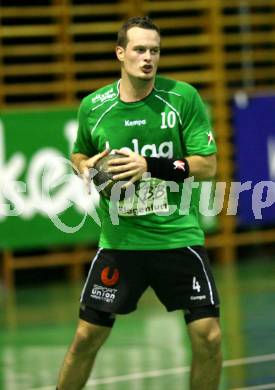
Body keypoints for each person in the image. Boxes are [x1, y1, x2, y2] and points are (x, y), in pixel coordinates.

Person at [57, 16, 222, 390]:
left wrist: (150, 165)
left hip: (177, 238)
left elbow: (208, 165)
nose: (148, 58)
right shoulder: (94, 106)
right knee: (85, 338)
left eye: (155, 50)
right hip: (121, 244)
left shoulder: (182, 98)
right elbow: (79, 153)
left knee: (208, 337)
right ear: (121, 53)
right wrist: (85, 169)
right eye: (139, 50)